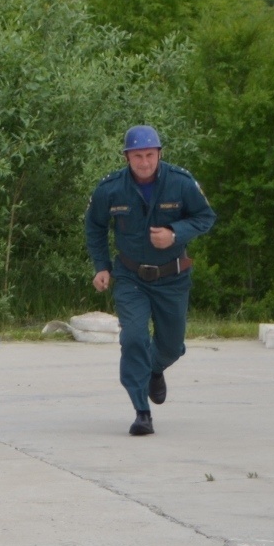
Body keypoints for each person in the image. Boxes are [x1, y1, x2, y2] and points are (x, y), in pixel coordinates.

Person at [83, 125, 216, 437]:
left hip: (173, 277)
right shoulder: (111, 189)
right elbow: (95, 227)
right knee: (133, 338)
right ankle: (141, 411)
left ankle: (156, 369)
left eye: (150, 155)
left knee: (171, 346)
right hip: (130, 277)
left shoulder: (181, 183)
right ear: (127, 157)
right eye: (137, 156)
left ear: (159, 154)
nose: (144, 162)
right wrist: (102, 267)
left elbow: (205, 217)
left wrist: (175, 234)